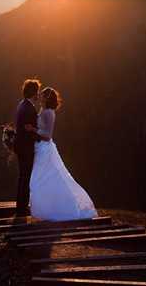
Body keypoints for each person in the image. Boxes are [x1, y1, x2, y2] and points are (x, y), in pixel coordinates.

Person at [25, 87, 98, 221]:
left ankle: (59, 208)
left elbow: (47, 135)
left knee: (41, 178)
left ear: (47, 98)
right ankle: (47, 208)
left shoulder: (49, 113)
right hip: (40, 148)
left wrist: (33, 129)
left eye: (41, 95)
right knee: (40, 179)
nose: (39, 97)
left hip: (45, 149)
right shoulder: (43, 110)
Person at [14, 79, 44, 217]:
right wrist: (40, 137)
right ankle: (21, 209)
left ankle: (21, 207)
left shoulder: (23, 105)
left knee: (23, 176)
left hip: (21, 146)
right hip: (25, 147)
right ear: (33, 92)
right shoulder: (28, 108)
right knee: (26, 177)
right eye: (37, 91)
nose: (38, 94)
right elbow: (29, 130)